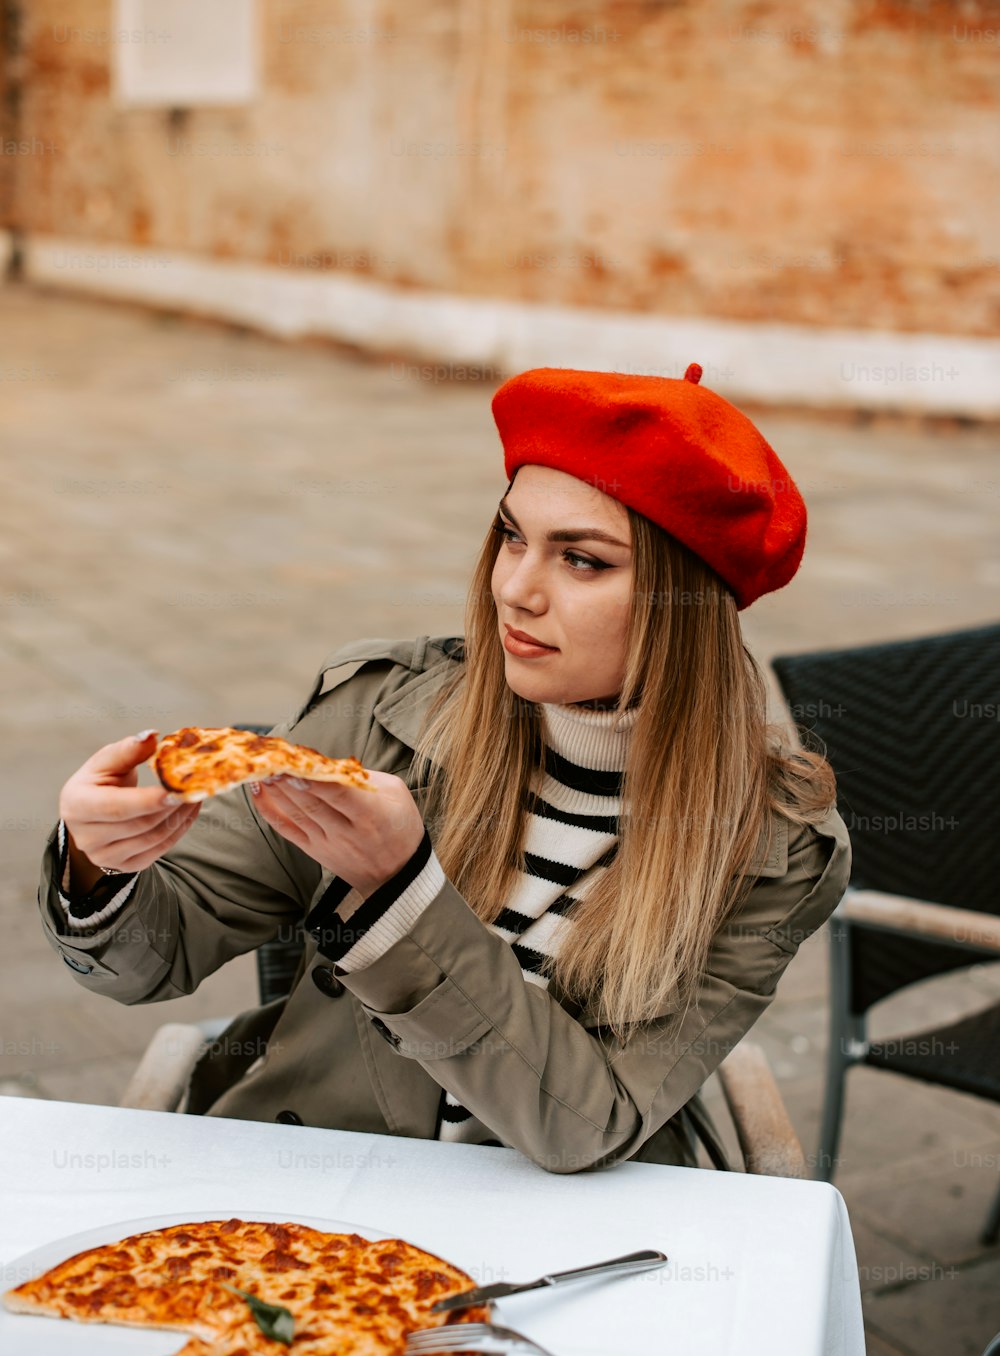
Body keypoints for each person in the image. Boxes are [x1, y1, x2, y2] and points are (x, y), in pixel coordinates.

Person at [41, 363, 850, 1173]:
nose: (517, 590)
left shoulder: (772, 846)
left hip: (573, 1235)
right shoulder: (380, 716)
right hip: (314, 1202)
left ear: (686, 610)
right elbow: (155, 955)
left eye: (583, 561)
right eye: (512, 536)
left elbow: (587, 1128)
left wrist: (403, 892)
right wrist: (100, 865)